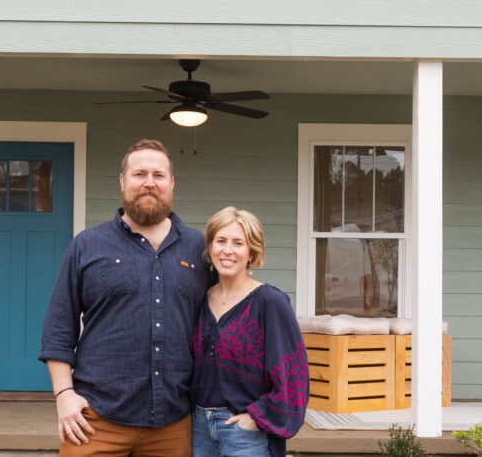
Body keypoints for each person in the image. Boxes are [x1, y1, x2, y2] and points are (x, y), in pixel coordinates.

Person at [39, 139, 208, 456]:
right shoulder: (87, 245)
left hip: (173, 424)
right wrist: (64, 395)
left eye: (158, 175)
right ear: (122, 181)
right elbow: (59, 329)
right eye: (139, 174)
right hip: (95, 420)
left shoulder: (200, 249)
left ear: (171, 183)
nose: (149, 183)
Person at [191, 207, 309, 457]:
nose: (227, 250)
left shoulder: (270, 302)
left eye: (238, 243)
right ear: (210, 247)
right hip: (199, 428)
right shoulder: (200, 299)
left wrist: (256, 418)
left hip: (245, 432)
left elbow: (293, 376)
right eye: (220, 241)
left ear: (252, 252)